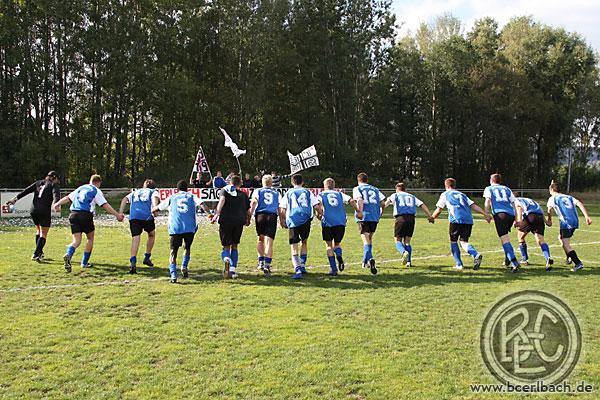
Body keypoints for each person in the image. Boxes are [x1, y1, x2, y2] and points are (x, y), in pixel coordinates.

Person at [53, 174, 124, 272]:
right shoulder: (96, 190)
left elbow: (67, 198)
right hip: (85, 215)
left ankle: (68, 254)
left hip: (73, 215)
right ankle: (84, 263)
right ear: (99, 183)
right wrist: (117, 215)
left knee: (76, 241)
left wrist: (57, 204)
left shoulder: (81, 188)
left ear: (90, 181)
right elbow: (104, 205)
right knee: (90, 238)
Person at [152, 180, 207, 283]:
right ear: (187, 189)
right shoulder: (191, 196)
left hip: (176, 227)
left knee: (173, 251)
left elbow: (158, 208)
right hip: (189, 227)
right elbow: (202, 204)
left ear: (177, 189)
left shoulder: (172, 197)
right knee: (187, 247)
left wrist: (151, 211)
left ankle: (173, 275)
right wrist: (209, 214)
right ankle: (184, 266)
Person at [431, 178, 491, 270]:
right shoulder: (462, 194)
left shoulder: (445, 194)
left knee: (453, 241)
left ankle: (459, 264)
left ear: (446, 185)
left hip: (456, 220)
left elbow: (439, 209)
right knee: (464, 242)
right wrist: (485, 214)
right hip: (468, 220)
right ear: (454, 185)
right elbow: (473, 206)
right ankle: (475, 254)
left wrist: (432, 217)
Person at [5, 171, 61, 261]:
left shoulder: (38, 183)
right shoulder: (54, 185)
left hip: (33, 211)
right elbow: (56, 195)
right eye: (58, 179)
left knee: (38, 230)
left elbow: (25, 191)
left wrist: (14, 200)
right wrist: (56, 204)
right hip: (44, 211)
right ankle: (36, 254)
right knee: (44, 233)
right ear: (54, 178)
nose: (58, 181)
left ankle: (40, 252)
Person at [278, 174, 322, 279]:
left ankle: (297, 268)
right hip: (306, 219)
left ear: (292, 183)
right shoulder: (308, 192)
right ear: (302, 182)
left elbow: (282, 209)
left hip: (293, 219)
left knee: (294, 245)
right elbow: (316, 206)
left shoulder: (288, 192)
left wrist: (282, 220)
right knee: (304, 241)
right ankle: (302, 265)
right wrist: (320, 214)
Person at [318, 178, 362, 276]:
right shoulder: (340, 194)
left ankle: (334, 269)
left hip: (328, 222)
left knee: (329, 245)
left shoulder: (321, 194)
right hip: (341, 221)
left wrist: (319, 214)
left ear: (324, 186)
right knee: (337, 243)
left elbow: (318, 205)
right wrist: (358, 211)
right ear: (334, 186)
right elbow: (351, 200)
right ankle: (338, 255)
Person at [385, 182, 435, 268]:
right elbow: (422, 204)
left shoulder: (395, 195)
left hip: (400, 218)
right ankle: (408, 262)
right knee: (407, 241)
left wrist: (380, 211)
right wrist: (430, 216)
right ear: (405, 189)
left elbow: (386, 203)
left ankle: (404, 252)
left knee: (397, 240)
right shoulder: (412, 196)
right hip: (411, 219)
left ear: (397, 189)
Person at [546, 181, 592, 272]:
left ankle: (578, 263)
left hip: (566, 222)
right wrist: (587, 216)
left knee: (566, 244)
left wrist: (549, 220)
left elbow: (549, 209)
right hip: (575, 221)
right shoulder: (568, 197)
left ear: (551, 190)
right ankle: (569, 256)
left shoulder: (552, 198)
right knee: (561, 238)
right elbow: (579, 203)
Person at [211, 175, 251, 279]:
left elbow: (222, 201)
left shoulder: (224, 191)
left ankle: (226, 259)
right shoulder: (243, 195)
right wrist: (248, 219)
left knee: (226, 246)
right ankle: (233, 270)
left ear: (230, 182)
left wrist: (216, 214)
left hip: (226, 221)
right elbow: (248, 210)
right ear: (240, 183)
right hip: (239, 222)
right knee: (235, 245)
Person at [119, 179, 160, 274]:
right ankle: (147, 257)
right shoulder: (153, 191)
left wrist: (120, 212)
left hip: (134, 217)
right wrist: (155, 211)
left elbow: (124, 199)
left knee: (135, 238)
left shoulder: (135, 192)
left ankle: (133, 262)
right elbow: (154, 199)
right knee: (151, 234)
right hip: (146, 217)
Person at [483, 174, 521, 272]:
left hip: (500, 214)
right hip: (510, 214)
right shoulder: (507, 189)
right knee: (505, 237)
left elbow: (487, 201)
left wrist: (486, 214)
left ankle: (514, 262)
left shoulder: (489, 188)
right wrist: (516, 218)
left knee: (504, 239)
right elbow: (514, 204)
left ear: (491, 180)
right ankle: (507, 260)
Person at [353, 173, 386, 274]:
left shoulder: (357, 188)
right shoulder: (375, 189)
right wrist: (381, 212)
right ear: (367, 180)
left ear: (358, 180)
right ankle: (365, 261)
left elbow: (359, 199)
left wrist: (360, 212)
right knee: (369, 239)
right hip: (374, 217)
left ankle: (370, 258)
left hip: (364, 217)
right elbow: (383, 203)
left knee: (365, 240)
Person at [248, 174, 280, 275]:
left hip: (260, 216)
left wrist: (249, 215)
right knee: (269, 242)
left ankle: (260, 261)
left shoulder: (258, 191)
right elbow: (279, 207)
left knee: (260, 239)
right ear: (271, 183)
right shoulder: (276, 193)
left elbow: (253, 203)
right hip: (272, 216)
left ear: (262, 182)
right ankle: (267, 265)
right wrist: (282, 219)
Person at [513, 192, 553, 271]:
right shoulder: (531, 201)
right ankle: (547, 258)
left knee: (520, 237)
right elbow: (540, 210)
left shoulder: (516, 200)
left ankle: (524, 258)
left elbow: (519, 207)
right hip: (539, 217)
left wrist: (519, 221)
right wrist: (546, 221)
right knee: (540, 240)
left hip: (530, 216)